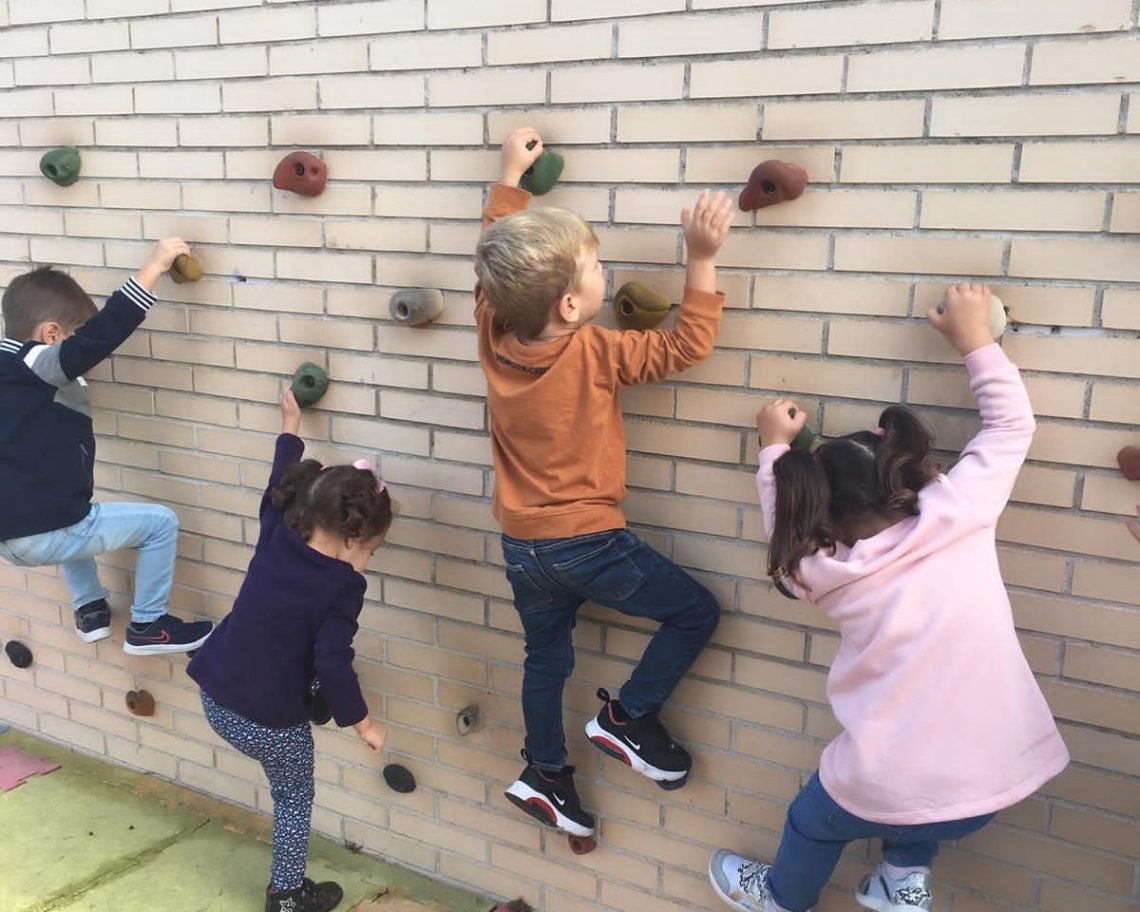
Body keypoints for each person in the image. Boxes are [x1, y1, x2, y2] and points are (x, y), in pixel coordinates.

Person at [709, 284, 1069, 912]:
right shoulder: (959, 513)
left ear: (820, 514)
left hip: (879, 783)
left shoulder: (824, 575)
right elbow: (1013, 424)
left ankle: (782, 899)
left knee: (812, 822)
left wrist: (772, 452)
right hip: (991, 785)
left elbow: (786, 535)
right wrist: (975, 341)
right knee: (922, 813)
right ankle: (903, 881)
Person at [474, 127, 733, 841]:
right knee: (694, 614)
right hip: (588, 541)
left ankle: (547, 775)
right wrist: (701, 259)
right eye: (593, 267)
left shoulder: (493, 329)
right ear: (567, 306)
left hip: (523, 545)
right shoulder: (596, 353)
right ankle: (629, 716)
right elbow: (687, 345)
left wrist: (510, 178)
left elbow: (494, 258)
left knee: (544, 660)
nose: (603, 272)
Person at [188, 390, 391, 912]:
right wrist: (363, 723)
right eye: (370, 550)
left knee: (295, 647)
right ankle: (286, 895)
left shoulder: (278, 527)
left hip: (215, 693)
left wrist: (291, 426)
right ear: (352, 540)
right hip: (270, 722)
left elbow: (279, 479)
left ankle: (315, 697)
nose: (366, 560)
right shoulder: (343, 587)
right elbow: (334, 658)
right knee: (295, 796)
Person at [0, 241, 213, 655]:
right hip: (44, 529)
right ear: (51, 334)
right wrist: (153, 268)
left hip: (12, 536)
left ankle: (91, 610)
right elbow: (100, 337)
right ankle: (149, 625)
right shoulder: (38, 363)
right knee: (160, 523)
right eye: (70, 339)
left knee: (74, 524)